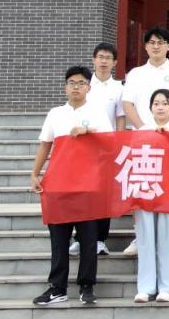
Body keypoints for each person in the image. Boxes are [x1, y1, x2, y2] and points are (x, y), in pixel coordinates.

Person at [31, 65, 112, 306]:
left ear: (89, 87)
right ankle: (57, 287)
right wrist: (35, 173)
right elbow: (45, 144)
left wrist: (87, 130)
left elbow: (109, 142)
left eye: (81, 83)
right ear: (65, 87)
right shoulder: (56, 113)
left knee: (88, 239)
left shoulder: (97, 112)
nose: (76, 87)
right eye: (71, 83)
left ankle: (87, 285)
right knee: (59, 240)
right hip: (58, 185)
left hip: (88, 186)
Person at [120, 27, 169, 256]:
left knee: (168, 183)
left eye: (160, 42)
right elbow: (128, 104)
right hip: (142, 140)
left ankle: (168, 234)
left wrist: (164, 126)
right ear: (145, 46)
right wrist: (145, 129)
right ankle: (139, 235)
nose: (156, 46)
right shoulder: (136, 73)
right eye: (151, 42)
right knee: (141, 185)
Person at [133, 89, 169, 303]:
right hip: (147, 188)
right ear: (150, 107)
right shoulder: (142, 130)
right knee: (145, 238)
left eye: (165, 103)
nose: (160, 107)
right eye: (156, 103)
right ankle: (146, 287)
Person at [70, 43, 124, 258]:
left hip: (106, 148)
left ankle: (100, 240)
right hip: (83, 148)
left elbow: (120, 119)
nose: (103, 61)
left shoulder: (118, 88)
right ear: (93, 59)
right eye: (100, 57)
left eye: (108, 58)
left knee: (103, 195)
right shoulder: (84, 84)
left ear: (115, 62)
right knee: (81, 194)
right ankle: (79, 239)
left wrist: (118, 145)